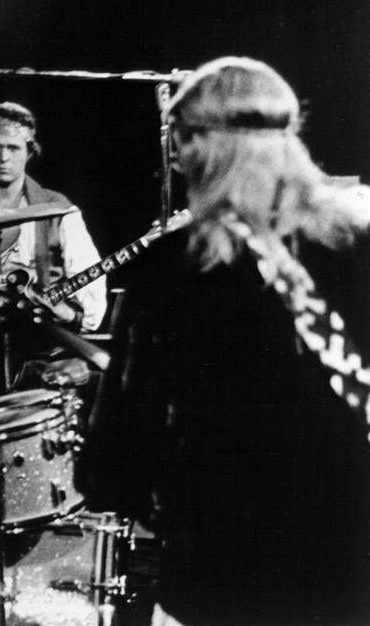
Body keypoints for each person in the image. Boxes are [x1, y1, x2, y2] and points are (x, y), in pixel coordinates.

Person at [79, 57, 370, 626]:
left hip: (224, 572)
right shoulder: (357, 242)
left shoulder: (177, 268)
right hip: (349, 571)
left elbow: (114, 468)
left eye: (177, 141)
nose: (174, 157)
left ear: (199, 146)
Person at [0, 101, 106, 332]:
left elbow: (87, 271)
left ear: (29, 153)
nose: (3, 158)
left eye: (13, 148)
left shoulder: (58, 210)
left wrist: (73, 315)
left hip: (40, 334)